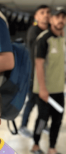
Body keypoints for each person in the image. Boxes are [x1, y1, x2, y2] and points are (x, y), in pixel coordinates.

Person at [31, 7, 66, 154]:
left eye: (64, 17)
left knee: (58, 119)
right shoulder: (44, 38)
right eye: (57, 17)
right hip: (44, 90)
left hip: (58, 90)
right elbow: (39, 64)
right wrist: (43, 89)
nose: (61, 20)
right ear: (51, 20)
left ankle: (52, 148)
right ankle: (36, 145)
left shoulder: (63, 39)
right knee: (43, 119)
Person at [19, 5, 51, 138]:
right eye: (42, 12)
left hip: (46, 76)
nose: (45, 15)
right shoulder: (34, 31)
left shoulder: (49, 31)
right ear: (36, 17)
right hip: (33, 76)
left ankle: (42, 125)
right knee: (32, 102)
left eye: (48, 12)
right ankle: (23, 126)